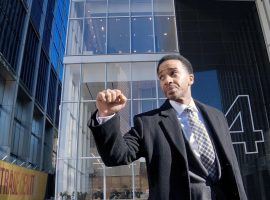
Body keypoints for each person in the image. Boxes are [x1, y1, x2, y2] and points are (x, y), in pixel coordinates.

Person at [88, 54, 247, 200]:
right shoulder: (148, 122)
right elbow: (117, 156)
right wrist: (106, 114)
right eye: (161, 77)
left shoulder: (217, 116)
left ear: (190, 78)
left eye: (173, 73)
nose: (167, 80)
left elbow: (231, 166)